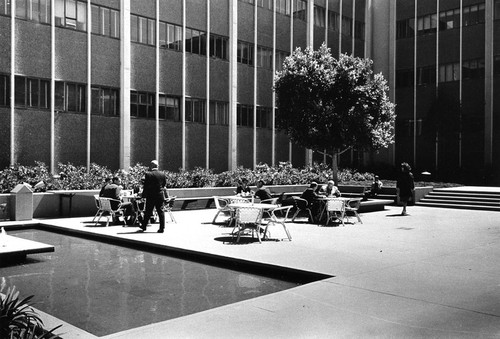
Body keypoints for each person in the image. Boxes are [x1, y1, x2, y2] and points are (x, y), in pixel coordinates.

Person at [140, 160, 168, 233]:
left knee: (148, 211)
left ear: (151, 166)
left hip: (151, 195)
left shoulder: (148, 174)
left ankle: (144, 226)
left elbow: (146, 186)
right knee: (161, 211)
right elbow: (164, 184)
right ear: (157, 166)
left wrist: (143, 195)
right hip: (159, 195)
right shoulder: (162, 174)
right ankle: (162, 228)